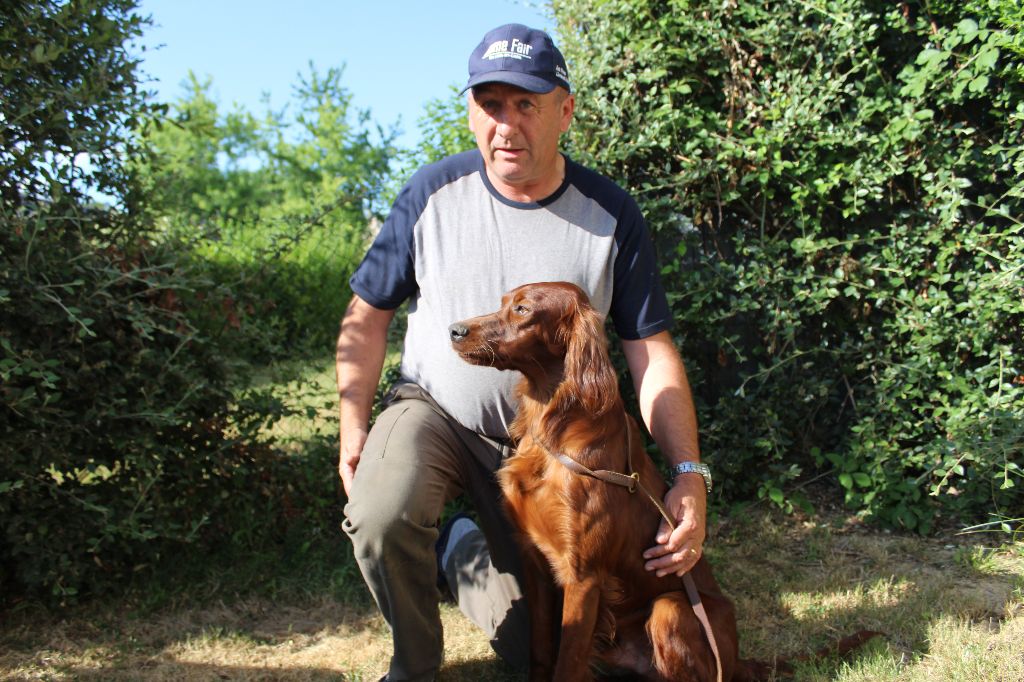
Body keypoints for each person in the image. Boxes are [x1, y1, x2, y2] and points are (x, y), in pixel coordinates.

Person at [337, 23, 711, 682]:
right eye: (490, 104)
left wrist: (687, 471)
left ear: (564, 111)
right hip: (439, 416)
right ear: (471, 112)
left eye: (525, 104)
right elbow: (365, 320)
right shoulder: (431, 194)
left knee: (552, 645)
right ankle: (413, 668)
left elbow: (651, 351)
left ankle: (462, 552)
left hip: (558, 443)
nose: (506, 124)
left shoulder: (610, 213)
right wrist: (353, 426)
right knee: (380, 507)